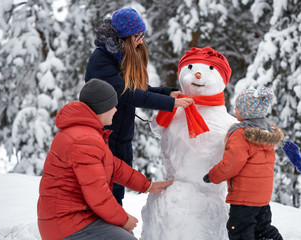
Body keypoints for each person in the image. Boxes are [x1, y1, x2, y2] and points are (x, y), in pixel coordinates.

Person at [37, 79, 173, 240]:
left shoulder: (84, 133)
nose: (116, 109)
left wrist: (147, 185)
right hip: (67, 224)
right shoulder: (84, 139)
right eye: (112, 105)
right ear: (102, 108)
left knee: (123, 233)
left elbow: (114, 166)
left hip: (73, 218)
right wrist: (123, 219)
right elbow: (97, 192)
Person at [85, 8, 194, 205]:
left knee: (117, 189)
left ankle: (114, 228)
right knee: (106, 190)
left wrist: (166, 93)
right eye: (137, 36)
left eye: (142, 36)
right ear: (124, 37)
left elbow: (135, 87)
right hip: (104, 136)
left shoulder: (119, 55)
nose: (141, 41)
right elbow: (126, 93)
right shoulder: (101, 59)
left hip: (121, 135)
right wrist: (169, 103)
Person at [203, 87, 284, 240]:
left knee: (239, 231)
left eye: (238, 108)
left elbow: (232, 162)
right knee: (263, 229)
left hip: (244, 198)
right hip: (262, 198)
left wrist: (213, 175)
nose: (235, 110)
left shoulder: (241, 134)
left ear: (247, 112)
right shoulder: (268, 133)